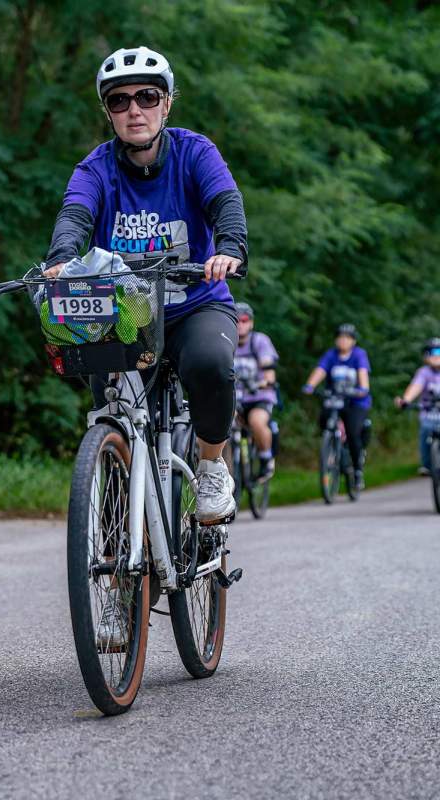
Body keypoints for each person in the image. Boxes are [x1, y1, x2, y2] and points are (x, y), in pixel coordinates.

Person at [44, 45, 248, 526]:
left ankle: (211, 467)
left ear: (167, 103)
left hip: (195, 306)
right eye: (119, 100)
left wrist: (230, 248)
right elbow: (75, 215)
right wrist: (61, 260)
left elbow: (225, 202)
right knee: (113, 415)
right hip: (125, 317)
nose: (134, 109)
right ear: (108, 112)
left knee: (211, 364)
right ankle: (120, 539)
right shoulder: (95, 168)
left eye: (147, 97)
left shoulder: (195, 152)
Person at [302, 323, 371, 489]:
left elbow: (363, 375)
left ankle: (357, 470)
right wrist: (310, 385)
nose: (343, 341)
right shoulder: (331, 355)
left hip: (355, 401)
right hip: (335, 400)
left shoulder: (359, 355)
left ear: (353, 341)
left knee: (353, 432)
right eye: (340, 337)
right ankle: (332, 447)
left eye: (347, 338)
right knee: (323, 419)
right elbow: (320, 370)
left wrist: (363, 389)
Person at [231, 302, 278, 482]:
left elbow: (268, 368)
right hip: (235, 397)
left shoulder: (260, 341)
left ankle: (266, 458)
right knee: (222, 425)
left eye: (244, 320)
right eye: (236, 320)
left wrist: (265, 381)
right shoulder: (227, 341)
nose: (240, 324)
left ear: (251, 323)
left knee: (256, 421)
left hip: (259, 396)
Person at [394, 337, 440, 475]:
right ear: (426, 356)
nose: (436, 356)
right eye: (432, 352)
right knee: (426, 429)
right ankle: (426, 465)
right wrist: (405, 400)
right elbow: (416, 386)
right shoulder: (424, 372)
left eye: (439, 351)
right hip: (429, 411)